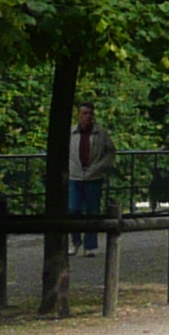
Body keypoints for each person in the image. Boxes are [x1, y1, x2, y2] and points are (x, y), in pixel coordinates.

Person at [66, 101, 115, 254]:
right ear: (79, 115)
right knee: (73, 210)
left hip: (94, 176)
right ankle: (75, 241)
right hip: (75, 176)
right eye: (84, 113)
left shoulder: (101, 133)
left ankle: (90, 246)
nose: (87, 117)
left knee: (92, 212)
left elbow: (110, 152)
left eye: (90, 114)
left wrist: (100, 166)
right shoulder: (72, 133)